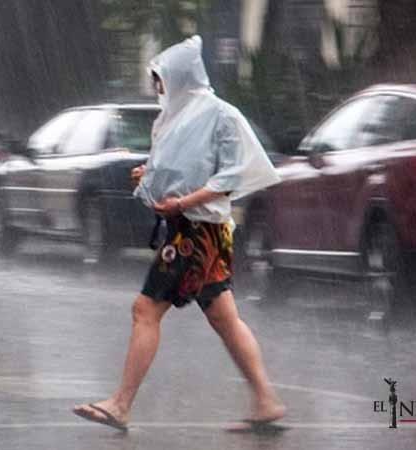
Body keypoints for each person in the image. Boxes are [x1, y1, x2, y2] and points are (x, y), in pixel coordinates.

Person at [73, 35, 285, 432]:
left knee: (145, 309)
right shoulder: (179, 115)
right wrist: (148, 174)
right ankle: (266, 399)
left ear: (181, 77)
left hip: (196, 233)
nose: (157, 89)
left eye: (161, 80)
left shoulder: (220, 115)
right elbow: (184, 167)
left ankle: (120, 404)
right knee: (224, 318)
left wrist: (181, 204)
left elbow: (228, 177)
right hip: (202, 232)